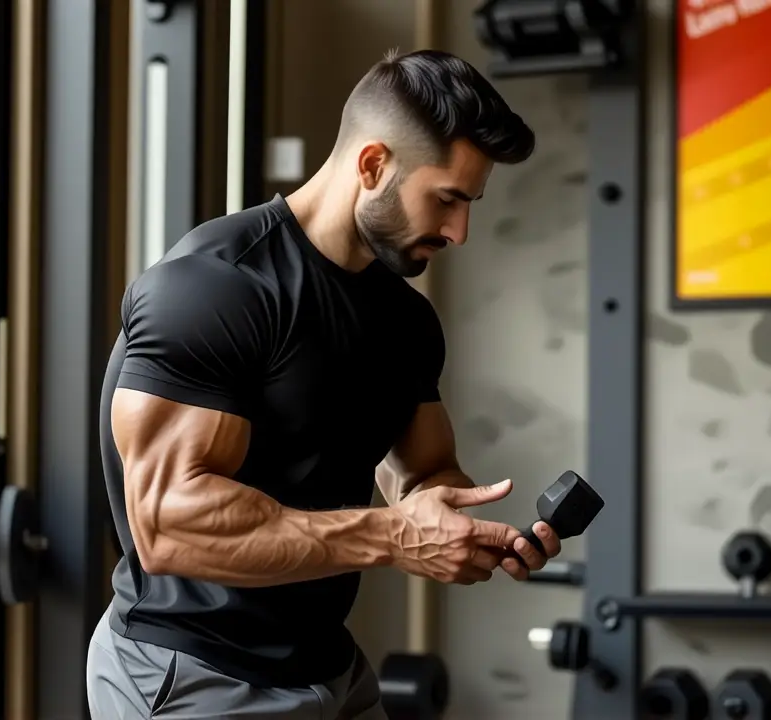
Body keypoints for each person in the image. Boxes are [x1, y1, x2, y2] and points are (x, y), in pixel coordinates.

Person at [86, 49, 556, 719]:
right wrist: (396, 538)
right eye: (447, 200)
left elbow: (423, 469)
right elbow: (168, 528)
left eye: (470, 204)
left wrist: (453, 524)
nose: (460, 231)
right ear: (373, 166)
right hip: (197, 672)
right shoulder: (217, 287)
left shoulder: (404, 319)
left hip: (328, 666)